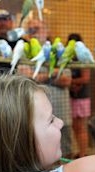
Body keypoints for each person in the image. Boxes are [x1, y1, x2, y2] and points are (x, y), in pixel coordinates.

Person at [18, 19, 73, 157]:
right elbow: (26, 79)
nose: (34, 33)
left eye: (37, 28)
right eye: (30, 30)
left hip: (62, 113)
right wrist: (54, 73)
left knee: (65, 152)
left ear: (46, 30)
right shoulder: (25, 52)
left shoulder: (58, 50)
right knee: (38, 156)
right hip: (35, 119)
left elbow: (66, 80)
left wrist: (39, 76)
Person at [67, 33, 92, 158]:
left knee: (81, 127)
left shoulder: (83, 58)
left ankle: (83, 154)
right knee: (75, 126)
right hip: (72, 96)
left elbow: (86, 78)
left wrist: (71, 82)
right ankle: (81, 152)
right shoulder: (71, 58)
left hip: (82, 97)